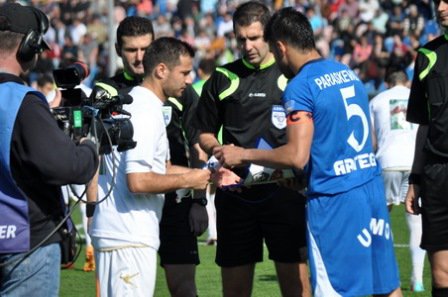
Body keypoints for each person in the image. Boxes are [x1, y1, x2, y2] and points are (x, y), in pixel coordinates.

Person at [214, 7, 403, 297]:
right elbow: (368, 143)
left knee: (335, 291)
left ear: (280, 47)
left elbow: (295, 156)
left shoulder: (300, 86)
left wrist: (243, 154)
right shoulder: (346, 72)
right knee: (387, 288)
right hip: (370, 190)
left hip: (335, 201)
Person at [194, 2, 310, 297]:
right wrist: (218, 150)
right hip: (236, 198)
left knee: (297, 288)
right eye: (241, 39)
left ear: (270, 36)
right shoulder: (222, 77)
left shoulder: (293, 77)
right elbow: (203, 132)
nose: (247, 46)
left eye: (254, 38)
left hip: (285, 193)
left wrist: (299, 173)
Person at [90, 16, 210, 297]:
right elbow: (96, 153)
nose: (139, 56)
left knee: (183, 285)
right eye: (131, 50)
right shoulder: (110, 94)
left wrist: (199, 199)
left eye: (145, 48)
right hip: (128, 212)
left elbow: (196, 145)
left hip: (174, 200)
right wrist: (93, 204)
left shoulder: (179, 91)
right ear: (119, 50)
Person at [0, 3, 98, 297]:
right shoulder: (24, 101)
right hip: (26, 244)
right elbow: (66, 166)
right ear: (29, 45)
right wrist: (89, 147)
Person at [406, 1, 448, 296]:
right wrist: (415, 178)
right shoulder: (427, 55)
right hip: (437, 173)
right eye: (437, 1)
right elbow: (423, 124)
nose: (441, 7)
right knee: (442, 274)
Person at [369, 69, 425, 292]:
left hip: (387, 162)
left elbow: (372, 141)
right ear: (407, 81)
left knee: (382, 220)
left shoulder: (377, 100)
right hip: (413, 163)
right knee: (415, 221)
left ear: (386, 83)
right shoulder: (417, 97)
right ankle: (418, 279)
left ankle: (387, 275)